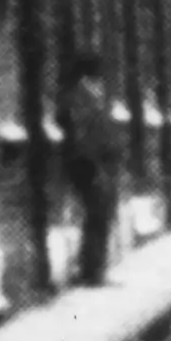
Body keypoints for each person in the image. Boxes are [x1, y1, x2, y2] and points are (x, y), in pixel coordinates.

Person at [60, 48, 123, 288]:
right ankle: (92, 272)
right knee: (98, 215)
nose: (100, 78)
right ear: (88, 74)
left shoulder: (89, 94)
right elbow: (82, 135)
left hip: (98, 164)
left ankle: (95, 269)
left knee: (101, 215)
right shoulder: (79, 96)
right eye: (97, 73)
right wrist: (94, 165)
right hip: (89, 166)